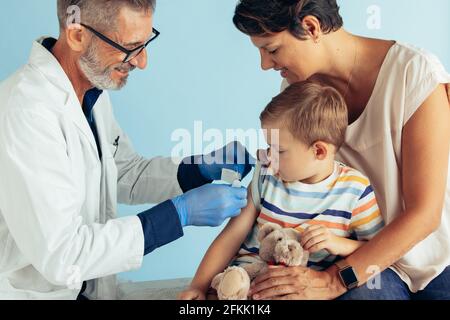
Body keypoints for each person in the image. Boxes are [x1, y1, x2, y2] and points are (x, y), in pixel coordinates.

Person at [0, 0, 254, 300]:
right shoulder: (27, 111)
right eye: (131, 47)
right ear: (77, 34)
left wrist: (196, 170)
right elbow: (63, 254)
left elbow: (124, 172)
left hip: (92, 290)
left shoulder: (91, 90)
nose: (142, 61)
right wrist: (178, 215)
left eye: (146, 43)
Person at [231, 0, 450, 300]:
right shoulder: (298, 95)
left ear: (311, 27)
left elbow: (424, 215)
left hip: (434, 262)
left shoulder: (414, 74)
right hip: (355, 257)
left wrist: (334, 280)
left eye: (271, 49)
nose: (265, 64)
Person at [179, 81, 385, 300]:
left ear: (319, 151)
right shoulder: (266, 175)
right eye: (269, 146)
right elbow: (231, 235)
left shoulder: (355, 191)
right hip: (243, 284)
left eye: (279, 150)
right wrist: (198, 286)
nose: (268, 156)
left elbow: (375, 248)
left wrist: (337, 243)